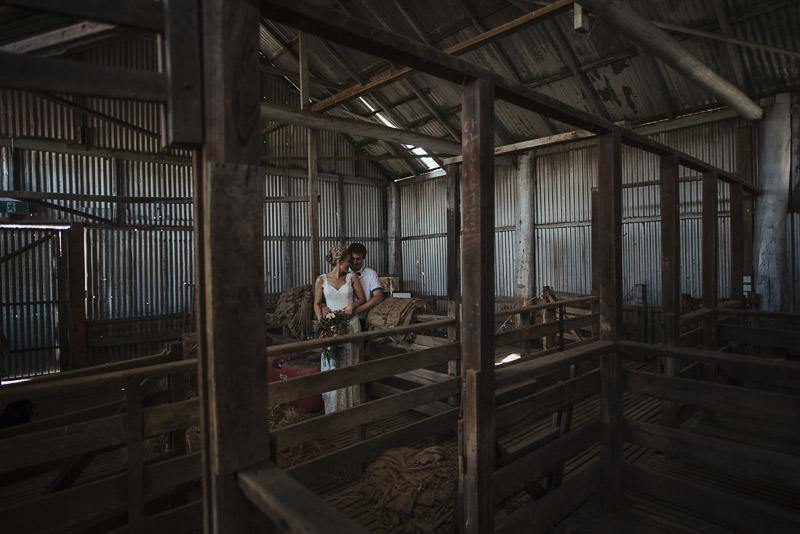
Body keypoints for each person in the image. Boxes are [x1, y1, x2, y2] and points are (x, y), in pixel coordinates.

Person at [313, 245, 366, 414]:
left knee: (350, 363)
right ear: (339, 261)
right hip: (331, 327)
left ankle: (352, 409)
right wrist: (322, 320)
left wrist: (352, 305)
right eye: (348, 261)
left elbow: (363, 298)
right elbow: (316, 303)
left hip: (350, 326)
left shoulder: (352, 277)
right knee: (332, 364)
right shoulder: (321, 280)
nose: (351, 264)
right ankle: (333, 411)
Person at [347, 243, 385, 331]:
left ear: (364, 257)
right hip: (344, 318)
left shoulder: (370, 274)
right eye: (352, 259)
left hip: (363, 319)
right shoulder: (342, 273)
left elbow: (378, 296)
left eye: (358, 259)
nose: (355, 262)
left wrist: (356, 311)